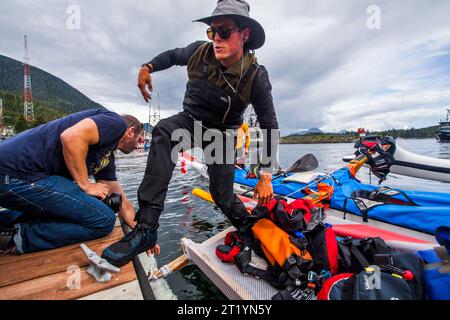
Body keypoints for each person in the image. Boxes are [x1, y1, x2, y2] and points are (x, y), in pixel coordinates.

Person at [102, 0, 279, 267]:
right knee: (163, 131)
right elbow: (173, 56)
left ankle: (251, 231)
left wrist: (265, 175)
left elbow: (268, 122)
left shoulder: (255, 76)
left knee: (222, 195)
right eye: (212, 32)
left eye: (224, 32)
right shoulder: (199, 52)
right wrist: (147, 67)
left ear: (244, 34)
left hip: (222, 134)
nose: (216, 39)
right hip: (191, 121)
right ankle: (147, 228)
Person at [0, 108, 148, 255]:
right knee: (103, 219)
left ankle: (4, 223)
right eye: (140, 139)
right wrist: (86, 184)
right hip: (14, 172)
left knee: (83, 208)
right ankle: (14, 238)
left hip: (23, 176)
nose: (138, 145)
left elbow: (120, 198)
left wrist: (144, 235)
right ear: (130, 131)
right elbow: (71, 136)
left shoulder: (105, 156)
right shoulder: (116, 123)